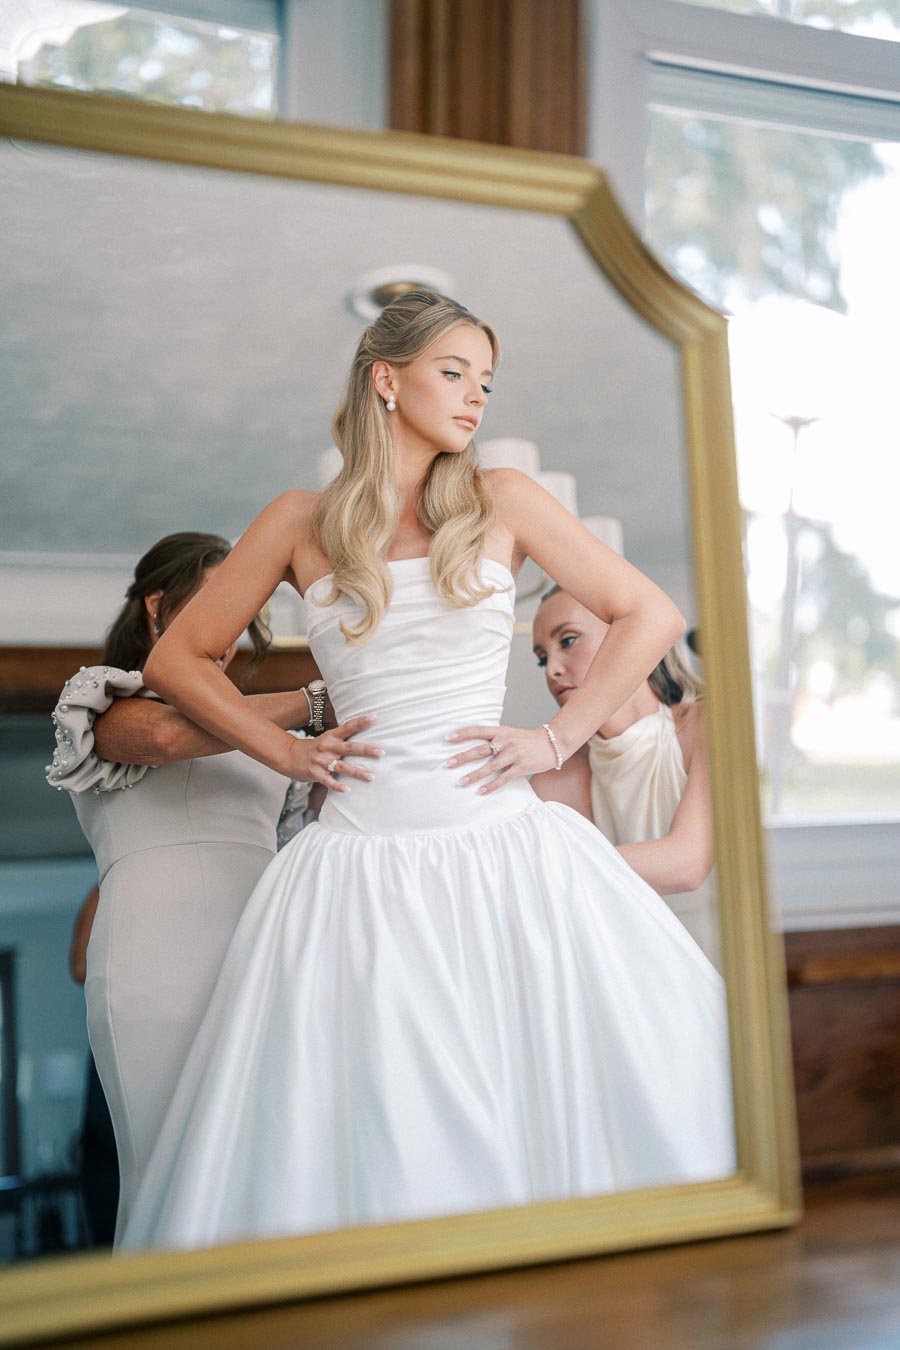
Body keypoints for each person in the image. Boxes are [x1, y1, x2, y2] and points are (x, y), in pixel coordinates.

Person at [121, 291, 734, 1252]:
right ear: (385, 378)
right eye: (455, 372)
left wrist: (558, 736)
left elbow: (649, 613)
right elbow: (175, 663)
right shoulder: (296, 522)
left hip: (502, 848)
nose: (476, 397)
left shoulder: (506, 501)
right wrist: (284, 748)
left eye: (486, 381)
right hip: (355, 867)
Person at [46, 531, 328, 1240]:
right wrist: (318, 701)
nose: (228, 628)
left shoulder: (277, 739)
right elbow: (169, 737)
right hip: (153, 954)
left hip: (263, 952)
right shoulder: (100, 702)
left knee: (273, 1162)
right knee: (165, 1164)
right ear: (157, 608)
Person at [531, 586, 718, 964]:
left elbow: (687, 863)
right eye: (542, 658)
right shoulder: (556, 778)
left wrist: (557, 869)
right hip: (624, 971)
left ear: (630, 635)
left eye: (568, 640)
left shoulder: (708, 724)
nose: (552, 669)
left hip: (719, 966)